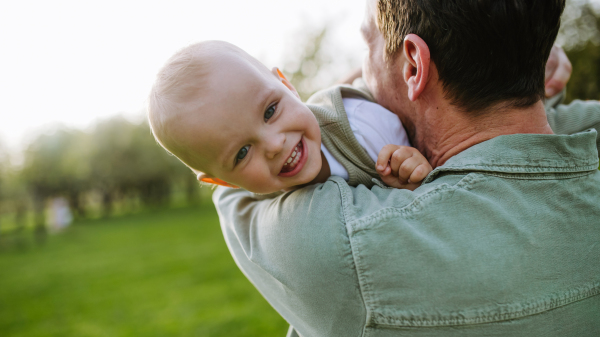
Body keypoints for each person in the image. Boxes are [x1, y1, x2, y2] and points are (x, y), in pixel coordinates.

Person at [213, 0, 600, 336]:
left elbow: (232, 183)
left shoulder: (348, 244)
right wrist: (518, 59)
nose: (361, 74)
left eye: (368, 42)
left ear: (414, 66)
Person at [147, 41, 433, 193]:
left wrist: (413, 169)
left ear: (287, 85)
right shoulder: (260, 215)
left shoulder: (364, 127)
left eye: (270, 111)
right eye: (242, 153)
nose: (273, 145)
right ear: (224, 182)